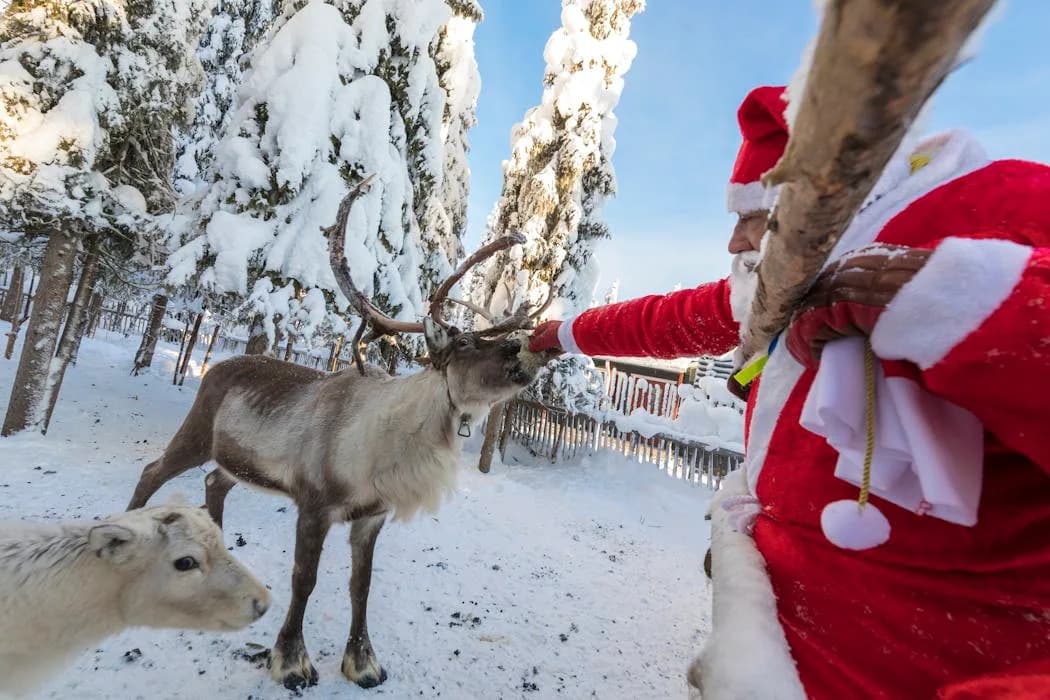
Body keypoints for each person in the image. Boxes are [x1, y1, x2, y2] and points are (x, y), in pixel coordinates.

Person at [529, 85, 1050, 699]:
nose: (733, 244)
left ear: (803, 208)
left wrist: (952, 300)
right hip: (783, 656)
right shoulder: (793, 287)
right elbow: (669, 319)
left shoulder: (1006, 205)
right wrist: (559, 334)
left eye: (750, 221)